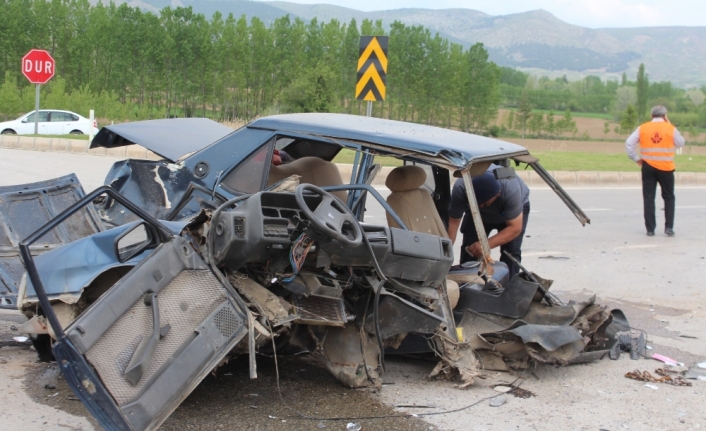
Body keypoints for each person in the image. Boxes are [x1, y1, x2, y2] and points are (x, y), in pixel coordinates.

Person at [447, 168, 530, 276]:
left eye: (484, 204)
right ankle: (466, 283)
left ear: (498, 194)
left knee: (511, 252)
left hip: (510, 215)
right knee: (470, 249)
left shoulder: (510, 190)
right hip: (476, 214)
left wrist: (485, 245)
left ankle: (508, 287)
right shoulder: (461, 187)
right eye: (477, 204)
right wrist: (446, 252)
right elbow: (453, 223)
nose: (481, 206)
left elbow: (515, 228)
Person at [625, 105, 685, 237]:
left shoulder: (643, 128)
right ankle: (669, 227)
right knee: (669, 197)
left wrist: (636, 158)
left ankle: (650, 229)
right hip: (666, 168)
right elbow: (681, 143)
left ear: (652, 116)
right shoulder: (670, 128)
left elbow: (629, 143)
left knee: (648, 198)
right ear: (665, 116)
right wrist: (669, 124)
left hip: (648, 167)